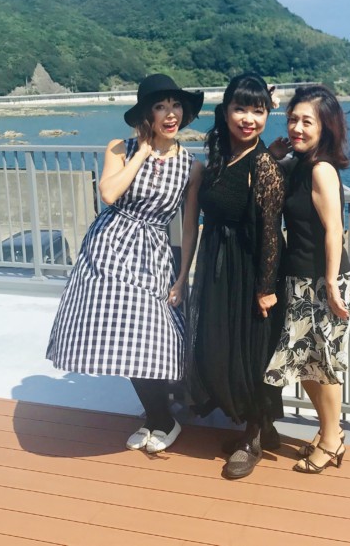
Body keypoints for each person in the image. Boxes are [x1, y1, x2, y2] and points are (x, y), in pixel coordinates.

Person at [46, 74, 204, 454]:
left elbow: (189, 226)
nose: (170, 114)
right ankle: (158, 418)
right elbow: (109, 193)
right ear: (147, 114)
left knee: (150, 335)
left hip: (153, 254)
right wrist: (143, 154)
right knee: (121, 336)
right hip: (109, 248)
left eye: (176, 105)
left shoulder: (191, 166)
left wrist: (182, 276)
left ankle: (162, 417)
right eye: (160, 107)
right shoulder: (120, 148)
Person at [186, 72, 286, 479]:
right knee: (222, 346)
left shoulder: (263, 165)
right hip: (219, 264)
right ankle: (259, 427)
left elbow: (271, 231)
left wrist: (266, 287)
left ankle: (254, 437)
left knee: (251, 353)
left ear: (267, 115)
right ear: (225, 111)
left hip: (250, 270)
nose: (249, 118)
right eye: (241, 109)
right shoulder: (221, 153)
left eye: (258, 111)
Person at [264, 84, 350, 474]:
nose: (297, 128)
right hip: (300, 278)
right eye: (292, 119)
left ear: (325, 127)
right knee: (304, 364)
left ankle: (333, 440)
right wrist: (272, 155)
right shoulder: (298, 164)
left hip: (321, 282)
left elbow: (334, 230)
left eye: (307, 121)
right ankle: (329, 431)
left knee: (323, 365)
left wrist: (331, 284)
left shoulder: (321, 169)